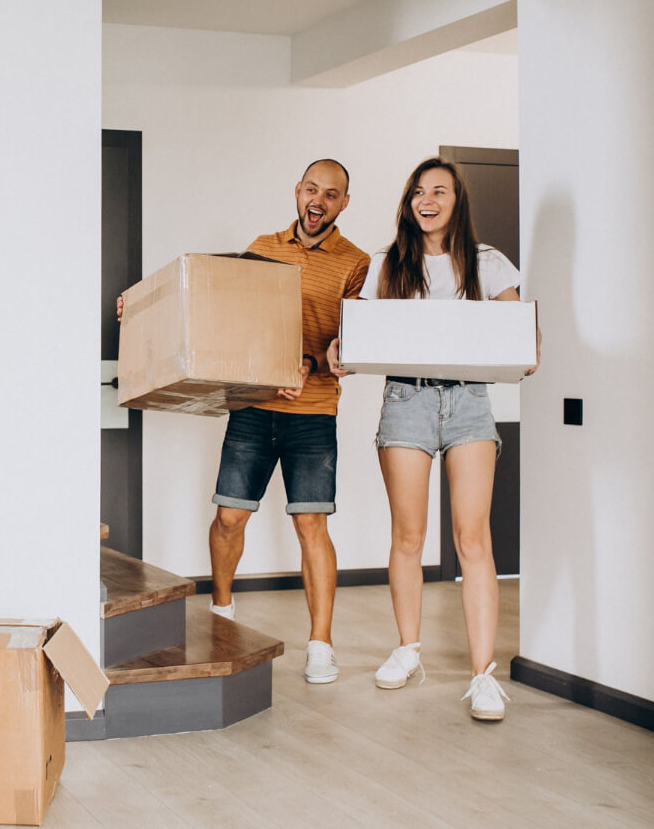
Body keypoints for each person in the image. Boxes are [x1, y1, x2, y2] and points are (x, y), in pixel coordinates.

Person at [127, 158, 369, 684]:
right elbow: (221, 306)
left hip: (313, 412)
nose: (318, 201)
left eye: (331, 194)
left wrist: (322, 359)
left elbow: (349, 336)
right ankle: (221, 613)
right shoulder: (263, 247)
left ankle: (321, 646)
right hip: (254, 410)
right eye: (311, 189)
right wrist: (140, 305)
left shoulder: (355, 261)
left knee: (311, 525)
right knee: (230, 518)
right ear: (297, 192)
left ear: (344, 203)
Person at [340, 156, 535, 721]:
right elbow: (358, 334)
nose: (428, 200)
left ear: (457, 201)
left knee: (473, 540)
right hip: (406, 400)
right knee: (408, 536)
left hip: (470, 401)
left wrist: (531, 343)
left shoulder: (488, 264)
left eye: (440, 191)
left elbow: (515, 332)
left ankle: (483, 677)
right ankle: (407, 650)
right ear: (408, 201)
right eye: (419, 192)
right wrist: (339, 349)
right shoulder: (387, 263)